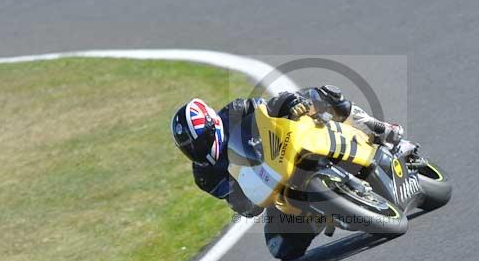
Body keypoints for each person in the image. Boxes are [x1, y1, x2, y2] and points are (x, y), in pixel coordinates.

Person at [171, 85, 403, 219]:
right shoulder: (204, 176)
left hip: (285, 148)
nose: (196, 152)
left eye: (199, 143)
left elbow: (271, 106)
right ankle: (330, 210)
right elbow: (243, 205)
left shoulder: (237, 110)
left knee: (322, 95)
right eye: (189, 149)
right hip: (275, 190)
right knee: (283, 248)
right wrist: (244, 203)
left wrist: (292, 103)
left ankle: (378, 128)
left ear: (214, 124)